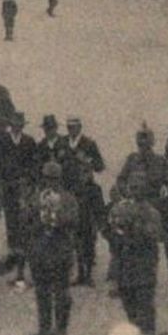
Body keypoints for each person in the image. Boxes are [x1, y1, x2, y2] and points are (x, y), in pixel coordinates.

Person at [117, 125, 168, 308]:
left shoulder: (160, 162)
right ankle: (131, 288)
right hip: (136, 211)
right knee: (129, 248)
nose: (143, 148)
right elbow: (120, 180)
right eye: (140, 144)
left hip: (159, 210)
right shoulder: (131, 160)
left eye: (147, 144)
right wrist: (126, 193)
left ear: (152, 144)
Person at [24, 160, 80, 335]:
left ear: (60, 179)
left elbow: (74, 220)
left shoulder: (68, 198)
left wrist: (56, 218)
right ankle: (44, 329)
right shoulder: (36, 197)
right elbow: (25, 218)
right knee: (42, 292)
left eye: (54, 179)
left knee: (62, 293)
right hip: (40, 250)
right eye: (47, 178)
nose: (50, 182)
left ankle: (61, 330)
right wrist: (36, 213)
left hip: (60, 249)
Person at [104, 179, 162, 335]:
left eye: (138, 188)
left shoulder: (151, 213)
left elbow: (153, 236)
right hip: (125, 266)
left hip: (143, 266)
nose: (134, 192)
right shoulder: (122, 209)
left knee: (145, 309)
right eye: (132, 188)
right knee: (129, 306)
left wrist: (135, 226)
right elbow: (113, 237)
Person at [63, 117, 106, 286]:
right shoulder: (63, 143)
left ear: (80, 127)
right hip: (69, 190)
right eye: (69, 127)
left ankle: (88, 273)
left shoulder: (89, 144)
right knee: (73, 234)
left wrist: (87, 161)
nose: (71, 130)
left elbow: (100, 166)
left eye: (74, 127)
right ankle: (79, 271)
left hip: (86, 192)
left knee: (87, 233)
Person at [0, 112, 37, 256]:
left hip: (23, 186)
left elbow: (34, 164)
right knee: (10, 216)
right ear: (10, 125)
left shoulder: (29, 141)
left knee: (25, 216)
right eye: (15, 125)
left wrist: (28, 180)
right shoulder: (1, 140)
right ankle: (13, 248)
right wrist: (2, 180)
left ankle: (24, 248)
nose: (17, 127)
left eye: (20, 125)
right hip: (7, 185)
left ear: (23, 126)